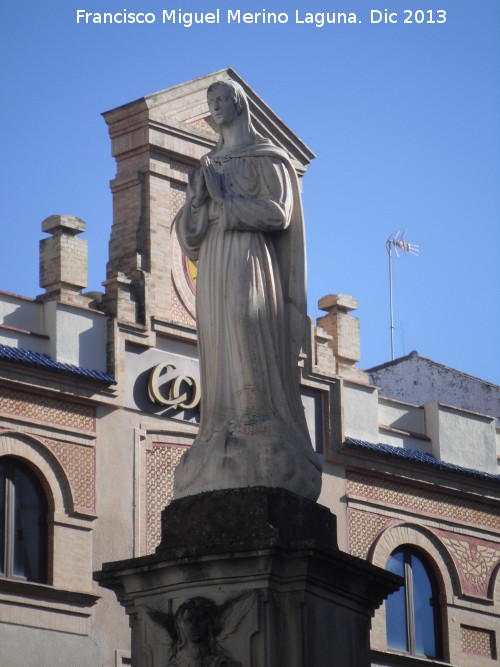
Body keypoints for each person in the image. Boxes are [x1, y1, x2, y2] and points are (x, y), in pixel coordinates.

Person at [174, 80, 321, 501]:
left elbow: (280, 213)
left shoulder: (267, 157)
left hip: (249, 257)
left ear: (239, 105)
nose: (216, 107)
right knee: (219, 334)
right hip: (215, 258)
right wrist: (199, 202)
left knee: (245, 320)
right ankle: (222, 421)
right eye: (210, 102)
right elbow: (191, 234)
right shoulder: (207, 162)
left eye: (222, 100)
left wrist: (226, 200)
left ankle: (259, 414)